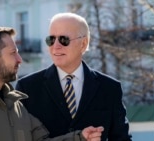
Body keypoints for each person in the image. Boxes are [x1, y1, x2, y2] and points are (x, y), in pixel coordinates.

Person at [16, 13, 132, 141]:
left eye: (63, 39)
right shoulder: (27, 88)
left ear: (83, 44)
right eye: (51, 40)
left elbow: (122, 139)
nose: (56, 46)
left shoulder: (109, 88)